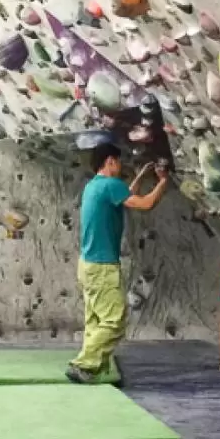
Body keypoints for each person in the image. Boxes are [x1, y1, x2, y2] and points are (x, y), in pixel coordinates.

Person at [66, 144, 169, 384]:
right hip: (102, 266)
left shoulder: (94, 186)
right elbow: (144, 204)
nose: (121, 167)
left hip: (88, 265)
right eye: (119, 162)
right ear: (110, 161)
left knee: (95, 320)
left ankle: (92, 369)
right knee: (114, 321)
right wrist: (163, 182)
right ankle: (83, 364)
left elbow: (124, 197)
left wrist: (142, 177)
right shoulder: (111, 186)